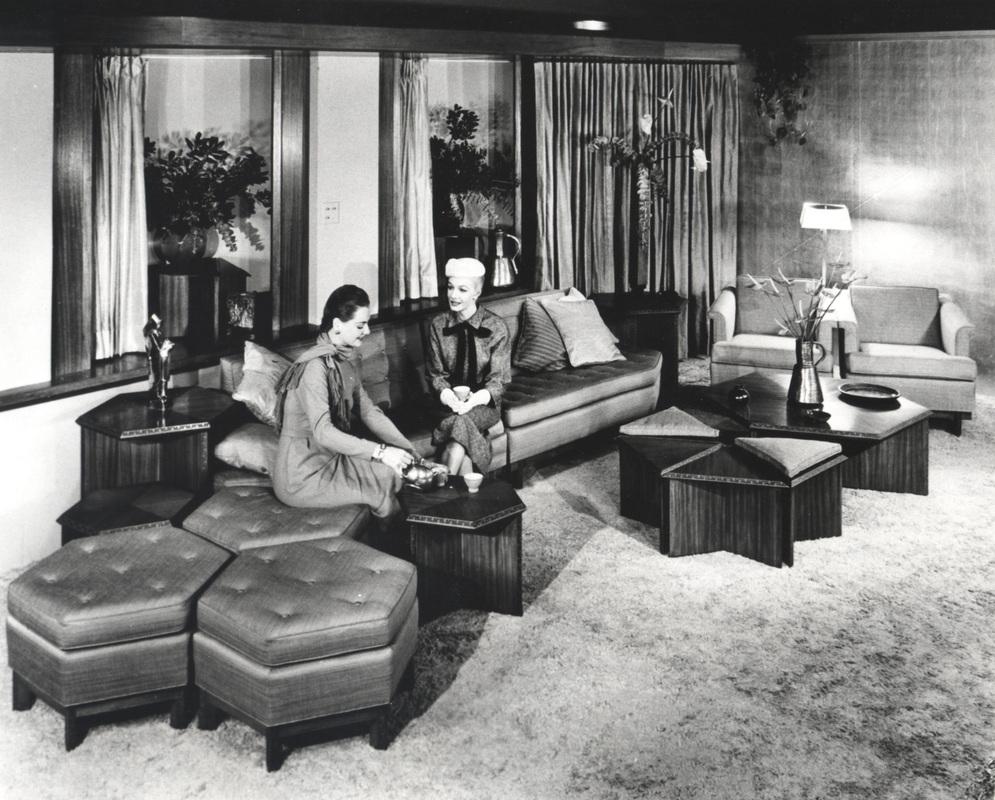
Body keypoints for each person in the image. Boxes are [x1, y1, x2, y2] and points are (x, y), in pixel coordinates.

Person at [272, 285, 416, 519]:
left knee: (392, 475)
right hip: (302, 475)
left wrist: (410, 451)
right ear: (338, 325)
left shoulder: (343, 361)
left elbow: (370, 413)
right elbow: (323, 433)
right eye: (360, 325)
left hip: (330, 459)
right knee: (379, 495)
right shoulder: (314, 368)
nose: (367, 330)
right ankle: (394, 551)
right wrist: (381, 452)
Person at [426, 257, 511, 475]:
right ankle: (460, 497)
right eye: (451, 287)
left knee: (460, 423)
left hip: (485, 406)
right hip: (445, 404)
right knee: (459, 436)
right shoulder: (438, 325)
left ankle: (440, 492)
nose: (453, 295)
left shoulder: (496, 326)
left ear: (476, 293)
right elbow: (436, 375)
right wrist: (447, 396)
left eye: (462, 290)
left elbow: (499, 381)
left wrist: (474, 400)